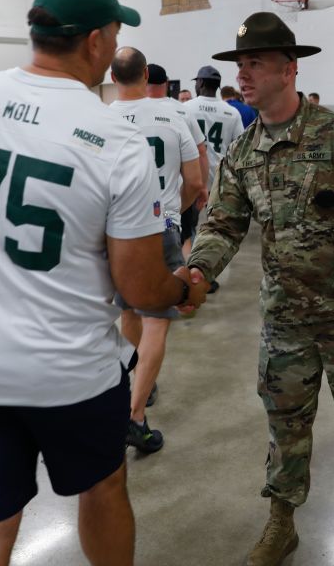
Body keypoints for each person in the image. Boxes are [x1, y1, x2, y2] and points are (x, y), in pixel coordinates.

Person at [0, 0, 208, 566]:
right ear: (95, 41)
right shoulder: (113, 137)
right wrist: (184, 287)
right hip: (68, 372)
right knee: (103, 487)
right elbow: (138, 284)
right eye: (116, 30)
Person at [185, 12, 334, 565]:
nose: (243, 75)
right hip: (284, 321)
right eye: (239, 65)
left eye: (255, 64)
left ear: (288, 69)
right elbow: (221, 224)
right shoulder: (242, 153)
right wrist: (197, 272)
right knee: (284, 429)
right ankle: (282, 521)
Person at [108, 47, 204, 453]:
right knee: (157, 322)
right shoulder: (173, 117)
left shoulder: (100, 119)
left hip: (113, 231)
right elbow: (196, 182)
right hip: (160, 223)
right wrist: (171, 217)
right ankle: (135, 418)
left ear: (112, 78)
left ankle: (141, 382)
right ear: (146, 74)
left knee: (129, 311)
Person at [184, 65, 244, 294]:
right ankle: (206, 275)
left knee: (187, 229)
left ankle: (189, 273)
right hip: (220, 180)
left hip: (191, 178)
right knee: (213, 231)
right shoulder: (231, 112)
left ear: (199, 83)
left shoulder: (186, 109)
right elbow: (238, 148)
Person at [146, 64, 207, 258]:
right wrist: (202, 187)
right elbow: (200, 151)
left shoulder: (132, 110)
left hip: (139, 201)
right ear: (166, 83)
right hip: (177, 193)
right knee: (185, 239)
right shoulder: (181, 112)